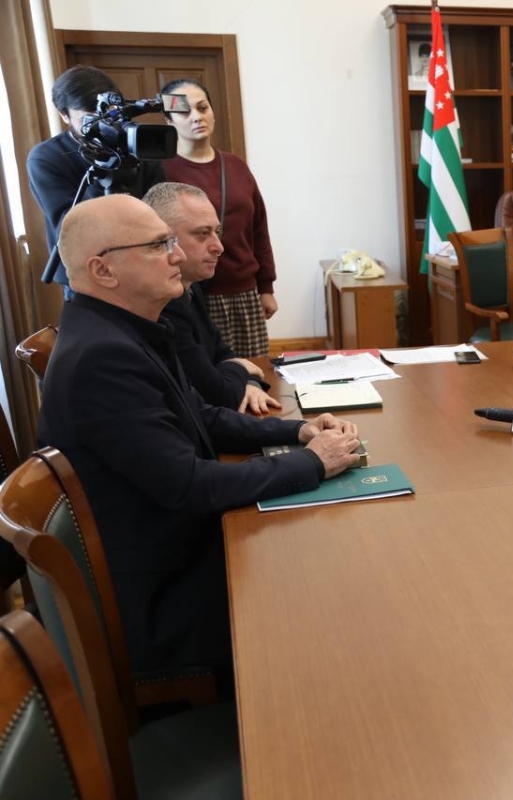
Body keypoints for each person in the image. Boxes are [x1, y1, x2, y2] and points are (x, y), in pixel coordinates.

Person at [37, 194, 362, 677]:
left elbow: (202, 416)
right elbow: (190, 484)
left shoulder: (124, 328)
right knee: (329, 590)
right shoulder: (102, 359)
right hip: (162, 598)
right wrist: (313, 462)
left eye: (172, 241)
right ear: (103, 271)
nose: (176, 256)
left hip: (178, 553)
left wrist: (298, 430)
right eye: (157, 245)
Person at [160, 78, 278, 358]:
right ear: (169, 121)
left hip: (243, 293)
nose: (196, 117)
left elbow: (258, 229)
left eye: (202, 108)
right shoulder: (160, 170)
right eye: (184, 112)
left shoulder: (236, 166)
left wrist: (266, 287)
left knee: (254, 374)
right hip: (188, 294)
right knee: (204, 375)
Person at [27, 66, 166, 298]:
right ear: (64, 115)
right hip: (86, 274)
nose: (102, 125)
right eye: (88, 119)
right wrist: (103, 165)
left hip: (143, 262)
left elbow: (160, 206)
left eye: (108, 115)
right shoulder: (47, 157)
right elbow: (71, 226)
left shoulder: (134, 144)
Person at [144, 181, 281, 414]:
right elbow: (218, 394)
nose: (219, 247)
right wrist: (241, 370)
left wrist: (250, 381)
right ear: (164, 239)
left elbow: (221, 352)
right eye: (202, 234)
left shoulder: (191, 286)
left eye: (216, 232)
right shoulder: (162, 303)